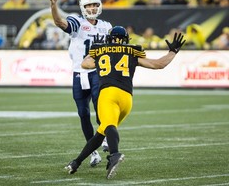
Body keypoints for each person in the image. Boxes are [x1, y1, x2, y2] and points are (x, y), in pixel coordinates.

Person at [64, 26, 186, 179]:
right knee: (102, 132)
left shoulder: (101, 51)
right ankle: (76, 162)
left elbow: (85, 64)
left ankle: (114, 154)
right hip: (127, 99)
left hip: (108, 94)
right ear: (126, 40)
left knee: (108, 126)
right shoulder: (132, 53)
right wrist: (173, 52)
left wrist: (94, 50)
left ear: (109, 39)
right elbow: (159, 64)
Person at [50, 0, 111, 166]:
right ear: (82, 8)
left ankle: (106, 135)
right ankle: (93, 152)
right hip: (79, 73)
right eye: (88, 6)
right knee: (83, 114)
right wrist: (53, 5)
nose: (92, 8)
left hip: (97, 72)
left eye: (94, 5)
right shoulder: (77, 22)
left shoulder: (106, 26)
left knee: (100, 105)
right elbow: (59, 22)